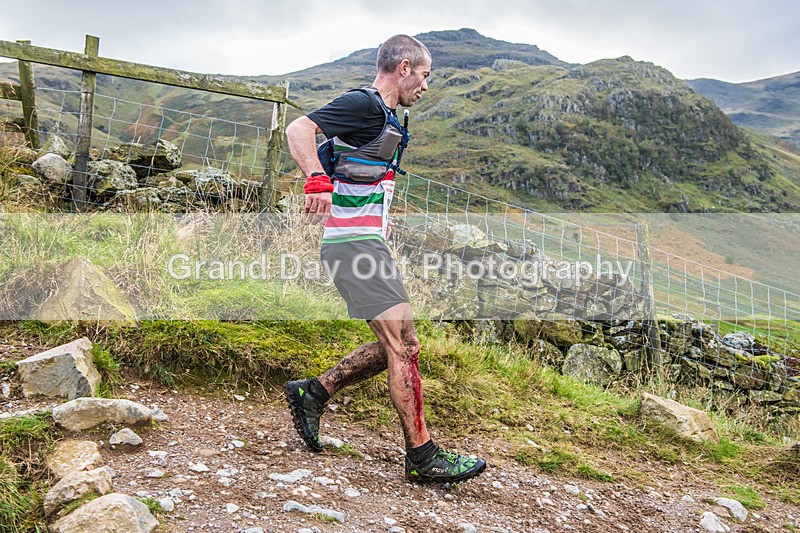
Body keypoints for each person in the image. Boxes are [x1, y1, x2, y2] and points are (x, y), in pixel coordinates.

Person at [283, 34, 486, 484]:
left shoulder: (387, 119)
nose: (426, 86)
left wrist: (378, 216)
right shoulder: (364, 104)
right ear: (405, 67)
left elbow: (358, 168)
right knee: (406, 345)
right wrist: (315, 180)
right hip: (352, 246)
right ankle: (423, 454)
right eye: (425, 75)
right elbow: (298, 129)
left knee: (394, 345)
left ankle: (314, 392)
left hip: (363, 241)